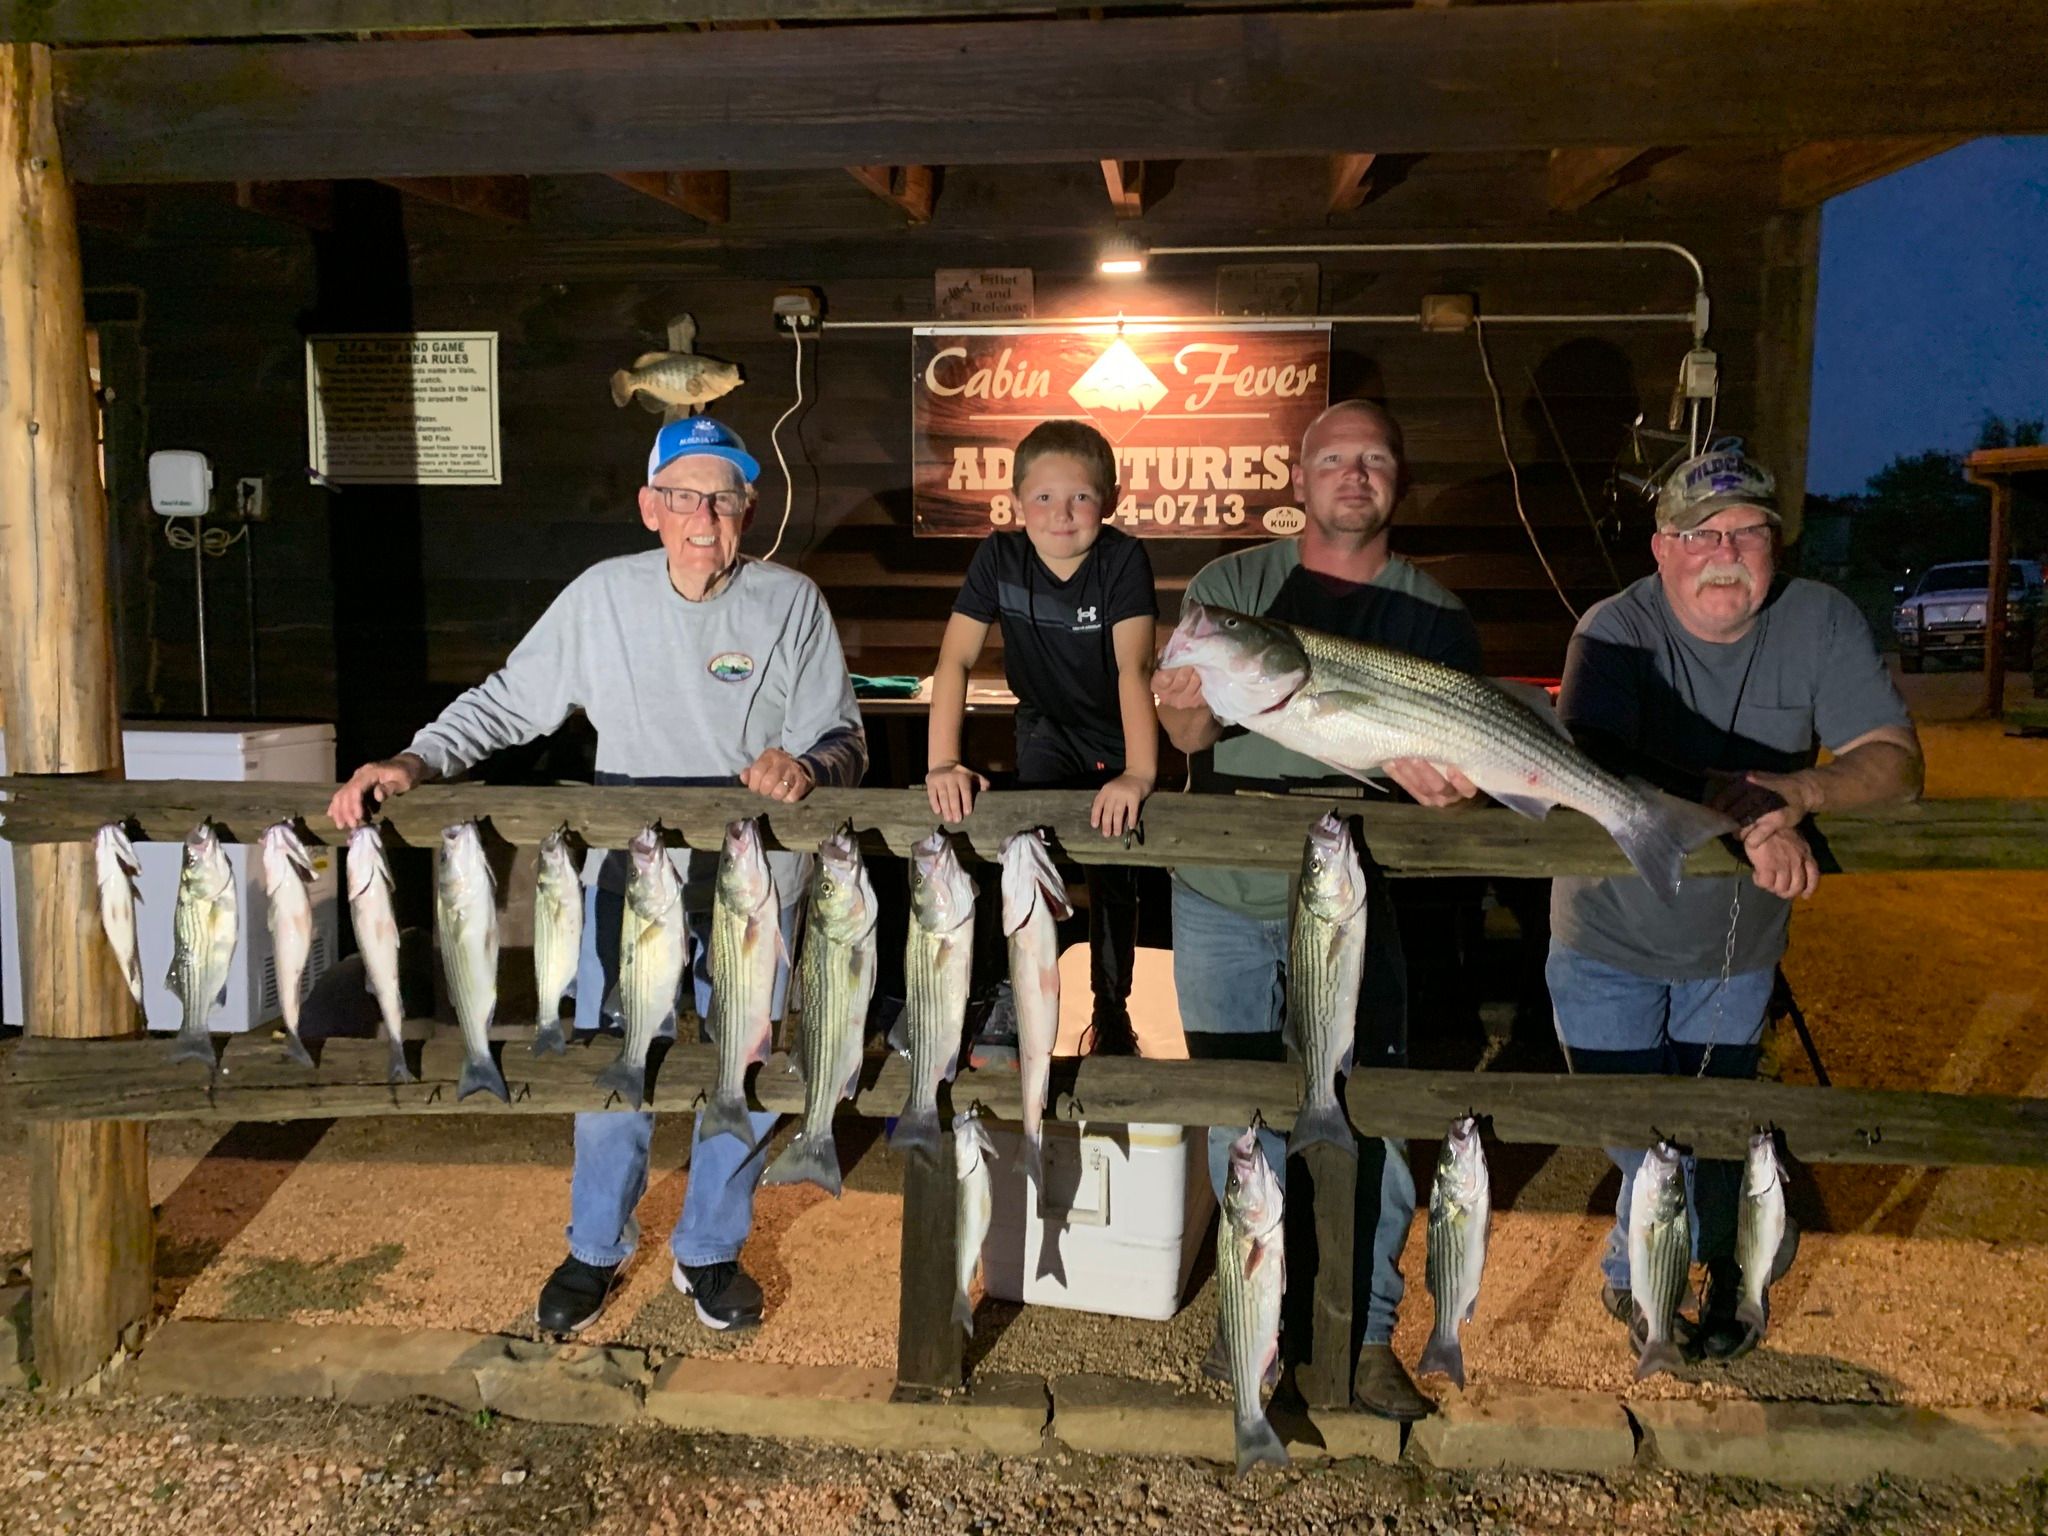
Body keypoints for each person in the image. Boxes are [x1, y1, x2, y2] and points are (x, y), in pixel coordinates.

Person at [326, 415, 867, 1335]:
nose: (705, 517)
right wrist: (414, 762)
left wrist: (806, 769)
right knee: (615, 1050)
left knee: (741, 1053)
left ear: (749, 507)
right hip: (631, 863)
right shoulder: (600, 598)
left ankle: (708, 1247)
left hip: (754, 872)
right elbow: (508, 702)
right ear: (649, 505)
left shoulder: (792, 602)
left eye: (724, 498)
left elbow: (845, 736)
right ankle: (593, 1243)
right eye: (685, 497)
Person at [1547, 441, 1922, 1362]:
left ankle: (1653, 1274)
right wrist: (1751, 813)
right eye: (1700, 533)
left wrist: (1801, 794)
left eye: (1748, 532)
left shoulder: (1822, 621)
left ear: (1776, 545)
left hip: (1736, 946)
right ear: (1661, 547)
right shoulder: (1613, 628)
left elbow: (1896, 763)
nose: (1725, 551)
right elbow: (1595, 765)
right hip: (1607, 933)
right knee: (1638, 1135)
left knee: (1713, 1127)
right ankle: (1672, 1263)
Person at [1152, 398, 1483, 1421]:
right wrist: (1180, 707)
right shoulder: (1232, 588)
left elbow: (1458, 759)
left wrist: (1454, 777)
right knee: (1239, 1119)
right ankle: (1251, 1327)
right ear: (1298, 480)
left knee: (1364, 1108)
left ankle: (1368, 1332)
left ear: (1396, 481)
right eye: (1332, 460)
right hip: (1222, 890)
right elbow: (1190, 728)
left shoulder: (1434, 614)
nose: (1352, 475)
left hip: (1357, 898)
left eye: (1373, 460)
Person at [925, 419, 1159, 1054]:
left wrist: (1137, 774)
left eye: (1081, 497)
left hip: (1113, 732)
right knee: (1024, 842)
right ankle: (1010, 989)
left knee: (1113, 863)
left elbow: (1136, 669)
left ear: (1109, 500)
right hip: (1046, 726)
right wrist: (943, 761)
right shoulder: (1000, 556)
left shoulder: (1121, 559)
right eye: (1045, 499)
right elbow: (954, 662)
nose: (1063, 514)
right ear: (1016, 502)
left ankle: (1112, 1009)